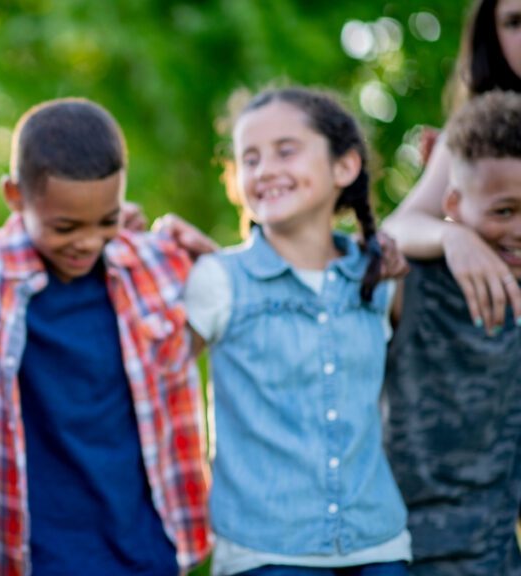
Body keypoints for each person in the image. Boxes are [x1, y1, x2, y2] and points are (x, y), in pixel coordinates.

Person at [0, 97, 211, 576]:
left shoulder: (160, 263)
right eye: (65, 226)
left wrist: (214, 256)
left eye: (106, 221)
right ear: (14, 195)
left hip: (146, 549)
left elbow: (251, 302)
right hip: (28, 553)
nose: (89, 242)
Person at [185, 87, 410, 576]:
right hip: (265, 552)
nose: (264, 170)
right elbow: (152, 374)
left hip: (379, 546)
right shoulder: (219, 280)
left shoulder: (380, 279)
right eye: (250, 159)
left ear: (344, 167)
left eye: (286, 151)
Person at [383, 90, 521, 576]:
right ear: (455, 204)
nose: (519, 230)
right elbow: (379, 241)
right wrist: (448, 236)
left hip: (496, 558)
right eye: (503, 211)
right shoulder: (412, 284)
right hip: (396, 554)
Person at [383, 0, 521, 334]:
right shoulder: (477, 132)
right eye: (514, 22)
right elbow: (396, 229)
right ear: (491, 35)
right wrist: (452, 236)